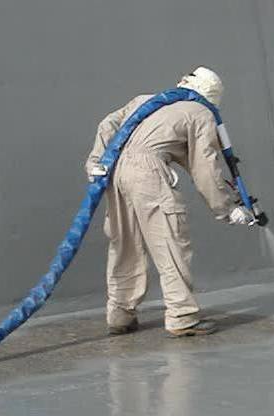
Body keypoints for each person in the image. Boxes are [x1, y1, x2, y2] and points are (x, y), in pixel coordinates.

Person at [85, 66, 252, 337]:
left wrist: (95, 161)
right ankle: (182, 316)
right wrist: (228, 209)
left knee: (124, 242)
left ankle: (120, 314)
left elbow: (108, 124)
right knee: (169, 242)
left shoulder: (147, 100)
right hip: (148, 173)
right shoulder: (200, 113)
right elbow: (205, 169)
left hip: (114, 170)